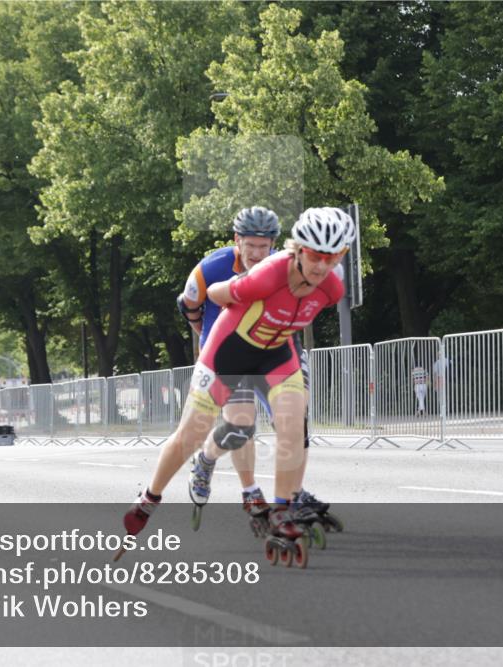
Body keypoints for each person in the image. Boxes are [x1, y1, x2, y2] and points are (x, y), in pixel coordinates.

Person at [123, 207, 352, 561]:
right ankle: (150, 497)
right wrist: (211, 328)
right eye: (315, 256)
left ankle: (283, 509)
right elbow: (210, 294)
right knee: (193, 434)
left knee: (294, 420)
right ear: (298, 249)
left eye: (332, 257)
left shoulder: (333, 287)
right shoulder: (263, 276)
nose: (322, 266)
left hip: (277, 353)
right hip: (228, 351)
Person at [177, 206, 280, 527]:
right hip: (226, 352)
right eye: (250, 245)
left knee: (291, 420)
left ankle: (293, 492)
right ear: (237, 240)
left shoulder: (282, 268)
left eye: (265, 247)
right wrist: (206, 342)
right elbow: (188, 305)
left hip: (268, 349)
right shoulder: (211, 267)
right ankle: (242, 484)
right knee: (240, 423)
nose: (258, 253)